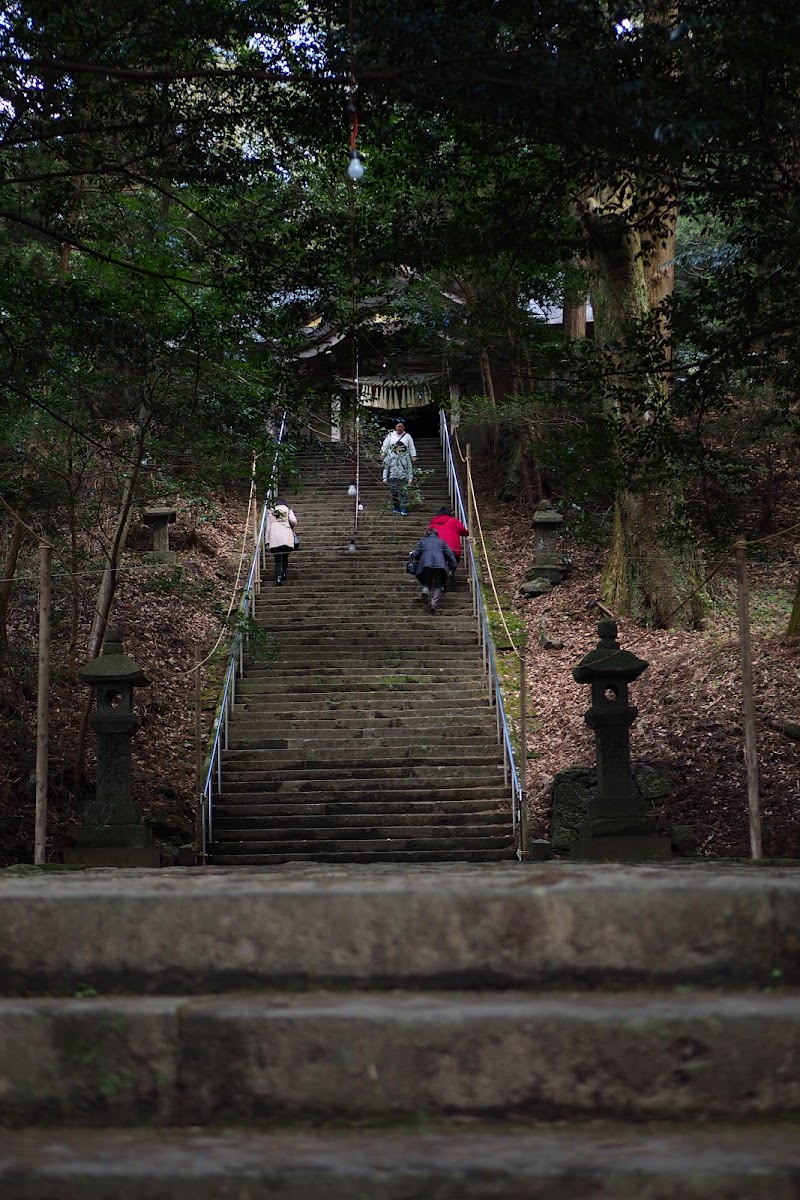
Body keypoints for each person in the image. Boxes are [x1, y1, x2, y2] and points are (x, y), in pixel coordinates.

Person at [411, 527, 456, 613]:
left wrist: (412, 554)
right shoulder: (442, 542)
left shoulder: (423, 542)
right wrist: (452, 567)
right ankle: (433, 602)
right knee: (438, 585)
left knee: (427, 582)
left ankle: (425, 591)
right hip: (440, 565)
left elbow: (417, 554)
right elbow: (450, 554)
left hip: (426, 564)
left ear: (427, 534)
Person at [428, 506, 469, 573]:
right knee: (454, 560)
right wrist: (468, 533)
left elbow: (429, 533)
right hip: (453, 548)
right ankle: (451, 571)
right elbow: (462, 530)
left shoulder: (433, 522)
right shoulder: (453, 520)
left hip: (437, 547)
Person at [266, 498, 297, 585]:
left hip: (275, 537)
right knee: (285, 556)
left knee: (277, 559)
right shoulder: (288, 511)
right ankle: (284, 573)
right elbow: (293, 521)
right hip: (286, 537)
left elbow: (268, 529)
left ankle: (278, 577)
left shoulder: (271, 512)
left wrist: (267, 541)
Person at [382, 440, 414, 515]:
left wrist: (410, 478)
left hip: (403, 477)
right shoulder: (390, 456)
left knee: (403, 493)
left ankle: (403, 509)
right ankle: (396, 507)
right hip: (393, 476)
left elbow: (409, 467)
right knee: (394, 492)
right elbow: (386, 467)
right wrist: (384, 477)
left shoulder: (406, 456)